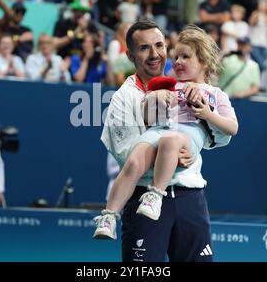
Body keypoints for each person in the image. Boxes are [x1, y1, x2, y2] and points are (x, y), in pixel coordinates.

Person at [99, 20, 234, 262]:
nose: (154, 54)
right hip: (143, 199)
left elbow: (221, 137)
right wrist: (169, 151)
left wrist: (202, 119)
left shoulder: (190, 87)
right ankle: (109, 214)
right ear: (130, 54)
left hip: (189, 197)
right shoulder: (122, 98)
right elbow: (127, 155)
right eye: (144, 48)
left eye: (159, 45)